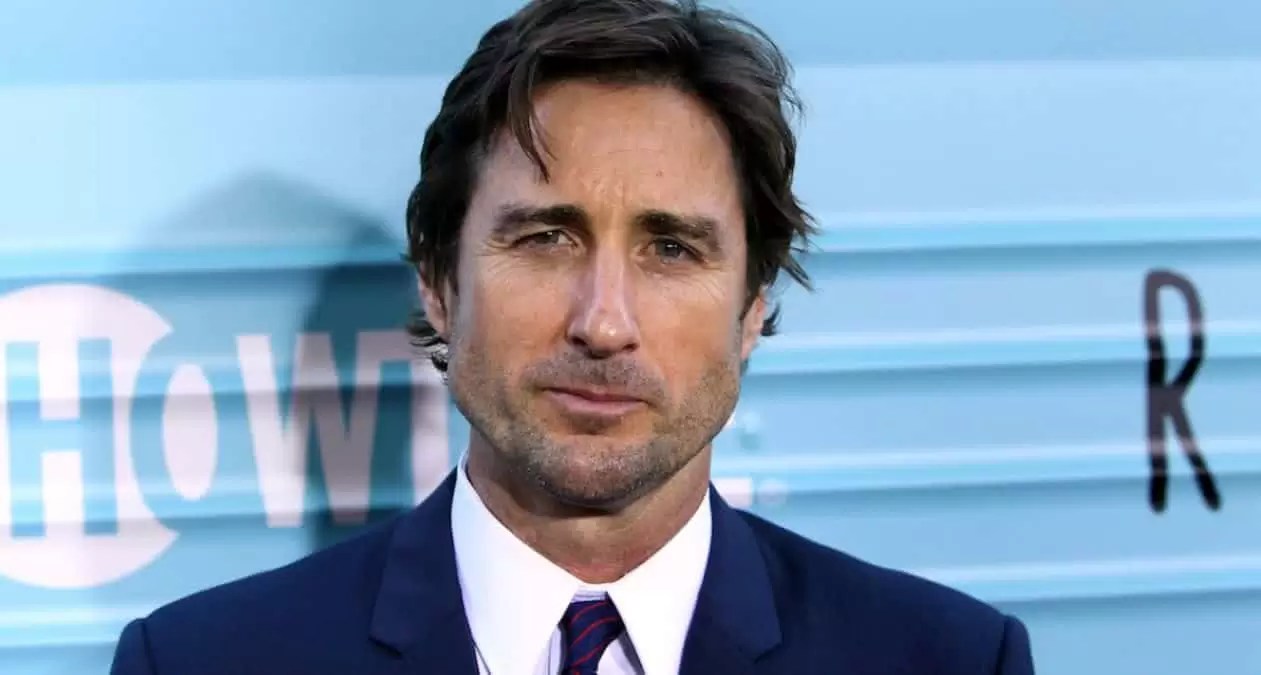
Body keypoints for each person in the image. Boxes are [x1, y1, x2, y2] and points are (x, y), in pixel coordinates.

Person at [110, 0, 1036, 673]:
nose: (603, 322)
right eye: (546, 239)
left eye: (670, 249)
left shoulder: (944, 658)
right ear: (438, 281)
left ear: (753, 306)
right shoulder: (200, 660)